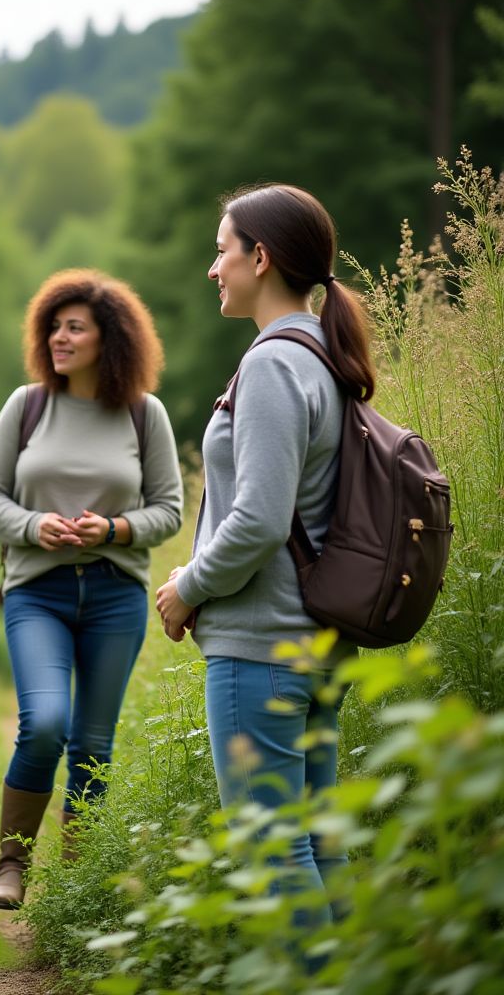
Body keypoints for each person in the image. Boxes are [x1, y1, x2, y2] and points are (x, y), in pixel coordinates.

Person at [155, 183, 374, 933]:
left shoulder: (277, 364)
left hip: (264, 645)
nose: (212, 268)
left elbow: (258, 520)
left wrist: (188, 586)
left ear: (260, 256)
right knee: (312, 842)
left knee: (273, 854)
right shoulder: (320, 353)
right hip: (309, 642)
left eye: (221, 251)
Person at [0, 268, 183, 909]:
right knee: (45, 725)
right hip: (37, 591)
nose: (59, 338)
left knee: (93, 743)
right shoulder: (27, 405)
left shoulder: (145, 416)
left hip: (117, 596)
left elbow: (169, 510)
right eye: (54, 327)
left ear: (109, 339)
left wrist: (115, 527)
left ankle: (76, 883)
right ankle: (13, 865)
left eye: (75, 328)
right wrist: (36, 526)